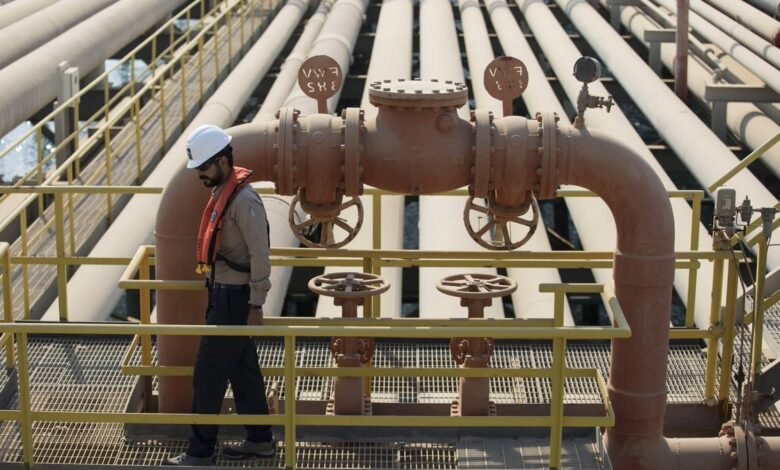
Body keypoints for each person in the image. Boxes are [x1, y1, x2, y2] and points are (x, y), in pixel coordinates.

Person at [165, 124, 275, 466]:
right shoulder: (223, 193)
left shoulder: (245, 201)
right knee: (243, 373)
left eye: (204, 167)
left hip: (234, 300)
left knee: (207, 375)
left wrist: (256, 303)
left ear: (223, 162)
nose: (199, 174)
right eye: (197, 168)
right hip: (223, 296)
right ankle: (260, 440)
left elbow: (260, 254)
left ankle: (200, 453)